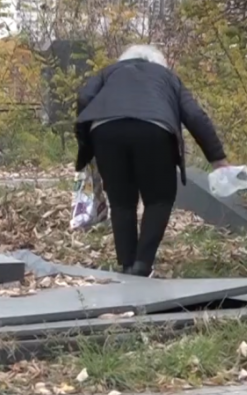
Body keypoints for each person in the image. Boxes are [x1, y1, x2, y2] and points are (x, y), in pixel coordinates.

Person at [75, 44, 230, 277]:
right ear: (159, 63)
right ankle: (142, 264)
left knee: (121, 201)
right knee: (159, 199)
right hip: (154, 130)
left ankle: (127, 265)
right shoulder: (167, 77)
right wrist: (218, 159)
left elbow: (85, 97)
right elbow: (195, 115)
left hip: (106, 131)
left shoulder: (110, 72)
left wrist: (87, 140)